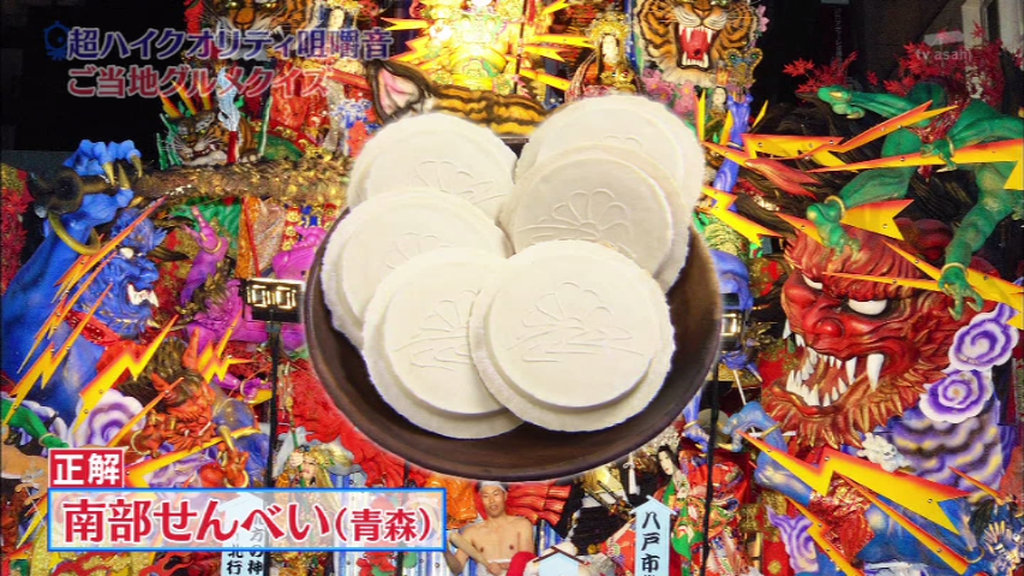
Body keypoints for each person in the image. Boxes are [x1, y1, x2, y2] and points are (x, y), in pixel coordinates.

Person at [445, 482, 536, 576]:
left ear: (505, 496)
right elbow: (457, 569)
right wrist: (445, 550)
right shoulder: (472, 532)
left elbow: (526, 560)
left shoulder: (521, 524)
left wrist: (503, 567)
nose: (491, 500)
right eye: (485, 496)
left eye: (496, 494)